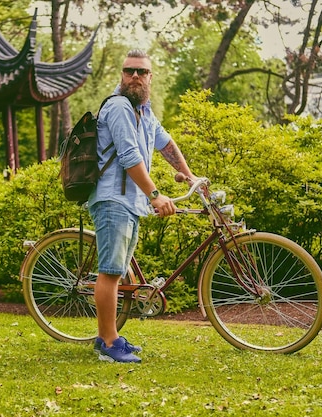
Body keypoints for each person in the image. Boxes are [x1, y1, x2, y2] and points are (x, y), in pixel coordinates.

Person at [88, 49, 200, 363]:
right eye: (129, 71)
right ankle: (110, 344)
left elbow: (165, 143)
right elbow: (128, 157)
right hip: (112, 199)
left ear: (151, 77)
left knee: (116, 270)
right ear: (121, 76)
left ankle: (105, 337)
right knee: (110, 273)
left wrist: (189, 175)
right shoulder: (120, 107)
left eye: (141, 72)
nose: (135, 76)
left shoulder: (144, 111)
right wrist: (155, 195)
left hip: (129, 201)